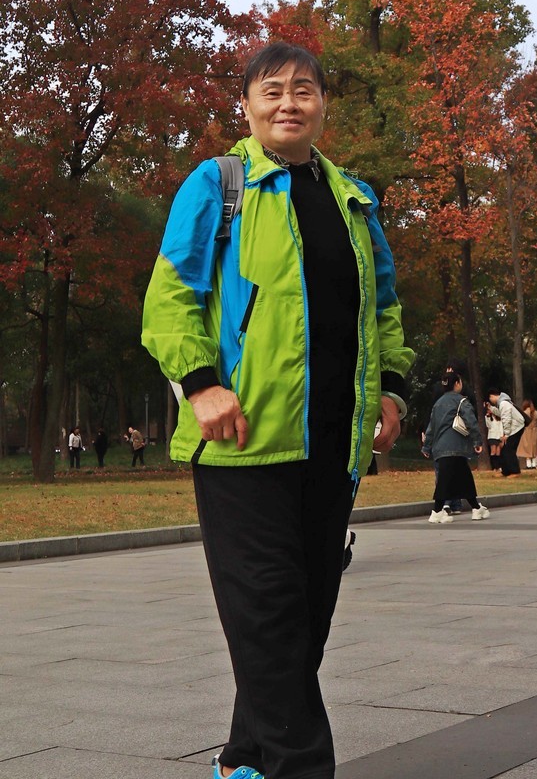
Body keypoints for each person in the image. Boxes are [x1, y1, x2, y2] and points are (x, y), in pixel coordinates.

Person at [142, 42, 414, 779]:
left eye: (304, 90)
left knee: (302, 625)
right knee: (266, 615)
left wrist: (391, 388)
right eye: (272, 92)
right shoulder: (218, 184)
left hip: (333, 445)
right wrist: (202, 384)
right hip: (242, 442)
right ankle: (299, 769)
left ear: (324, 105)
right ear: (247, 107)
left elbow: (383, 309)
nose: (289, 103)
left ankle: (244, 762)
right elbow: (169, 302)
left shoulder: (354, 200)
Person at [421, 371, 489, 523]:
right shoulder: (461, 401)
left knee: (463, 478)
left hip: (440, 447)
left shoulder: (437, 404)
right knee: (449, 479)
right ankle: (437, 511)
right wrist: (477, 442)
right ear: (457, 384)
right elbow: (471, 423)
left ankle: (476, 508)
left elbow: (431, 427)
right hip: (456, 447)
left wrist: (427, 447)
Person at [486, 388, 526, 477]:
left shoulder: (504, 403)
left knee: (509, 449)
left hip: (516, 428)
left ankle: (515, 472)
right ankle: (506, 471)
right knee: (504, 450)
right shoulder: (503, 403)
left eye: (490, 399)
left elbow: (506, 418)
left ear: (492, 396)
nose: (491, 401)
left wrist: (506, 434)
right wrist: (491, 409)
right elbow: (501, 413)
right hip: (514, 428)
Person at [517, 399, 537, 469]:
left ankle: (528, 465)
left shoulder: (523, 413)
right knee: (534, 447)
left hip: (526, 431)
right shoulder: (535, 413)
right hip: (534, 431)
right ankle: (534, 464)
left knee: (527, 448)